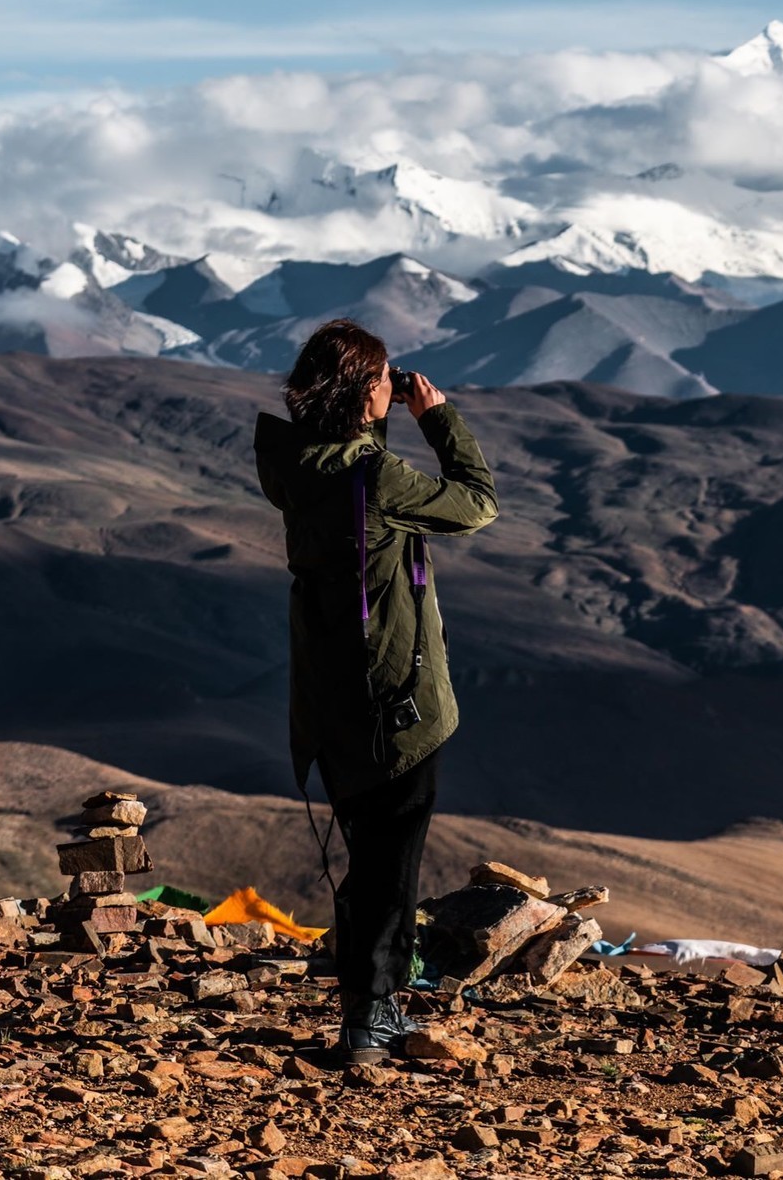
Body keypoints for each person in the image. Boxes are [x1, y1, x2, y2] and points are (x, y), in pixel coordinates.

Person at [253, 318, 499, 1063]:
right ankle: (372, 1017)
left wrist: (374, 421)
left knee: (368, 857)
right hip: (398, 700)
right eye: (386, 379)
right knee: (393, 861)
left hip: (328, 702)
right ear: (366, 393)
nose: (396, 389)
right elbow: (477, 502)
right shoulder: (377, 478)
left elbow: (350, 476)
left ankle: (365, 1003)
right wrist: (437, 418)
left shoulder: (298, 467)